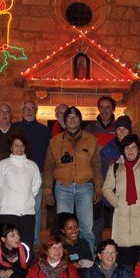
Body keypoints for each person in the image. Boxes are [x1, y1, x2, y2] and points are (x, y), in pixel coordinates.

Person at [43, 106, 103, 252]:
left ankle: (87, 257)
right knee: (64, 226)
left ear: (80, 120)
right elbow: (48, 168)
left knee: (86, 227)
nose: (72, 120)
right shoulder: (55, 141)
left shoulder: (91, 140)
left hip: (85, 187)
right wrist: (47, 190)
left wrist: (98, 188)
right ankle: (64, 256)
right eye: (69, 117)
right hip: (63, 188)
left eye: (75, 117)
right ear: (65, 121)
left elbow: (97, 166)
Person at [103, 134, 140, 267]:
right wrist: (117, 202)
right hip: (121, 217)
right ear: (123, 150)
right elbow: (106, 189)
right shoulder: (115, 167)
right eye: (127, 148)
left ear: (139, 149)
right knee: (123, 262)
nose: (130, 151)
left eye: (133, 147)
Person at [0, 134, 41, 253]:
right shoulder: (1, 165)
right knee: (7, 248)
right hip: (6, 213)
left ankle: (25, 264)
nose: (20, 149)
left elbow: (35, 187)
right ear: (11, 148)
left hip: (27, 213)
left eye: (22, 146)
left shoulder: (32, 166)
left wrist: (26, 200)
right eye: (16, 145)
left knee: (26, 246)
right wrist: (3, 204)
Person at [12, 100, 51, 247]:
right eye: (26, 108)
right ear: (22, 111)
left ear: (36, 110)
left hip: (37, 174)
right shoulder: (14, 128)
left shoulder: (44, 131)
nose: (29, 111)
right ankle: (17, 240)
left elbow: (48, 155)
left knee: (35, 208)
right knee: (17, 206)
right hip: (16, 173)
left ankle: (34, 241)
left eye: (32, 108)